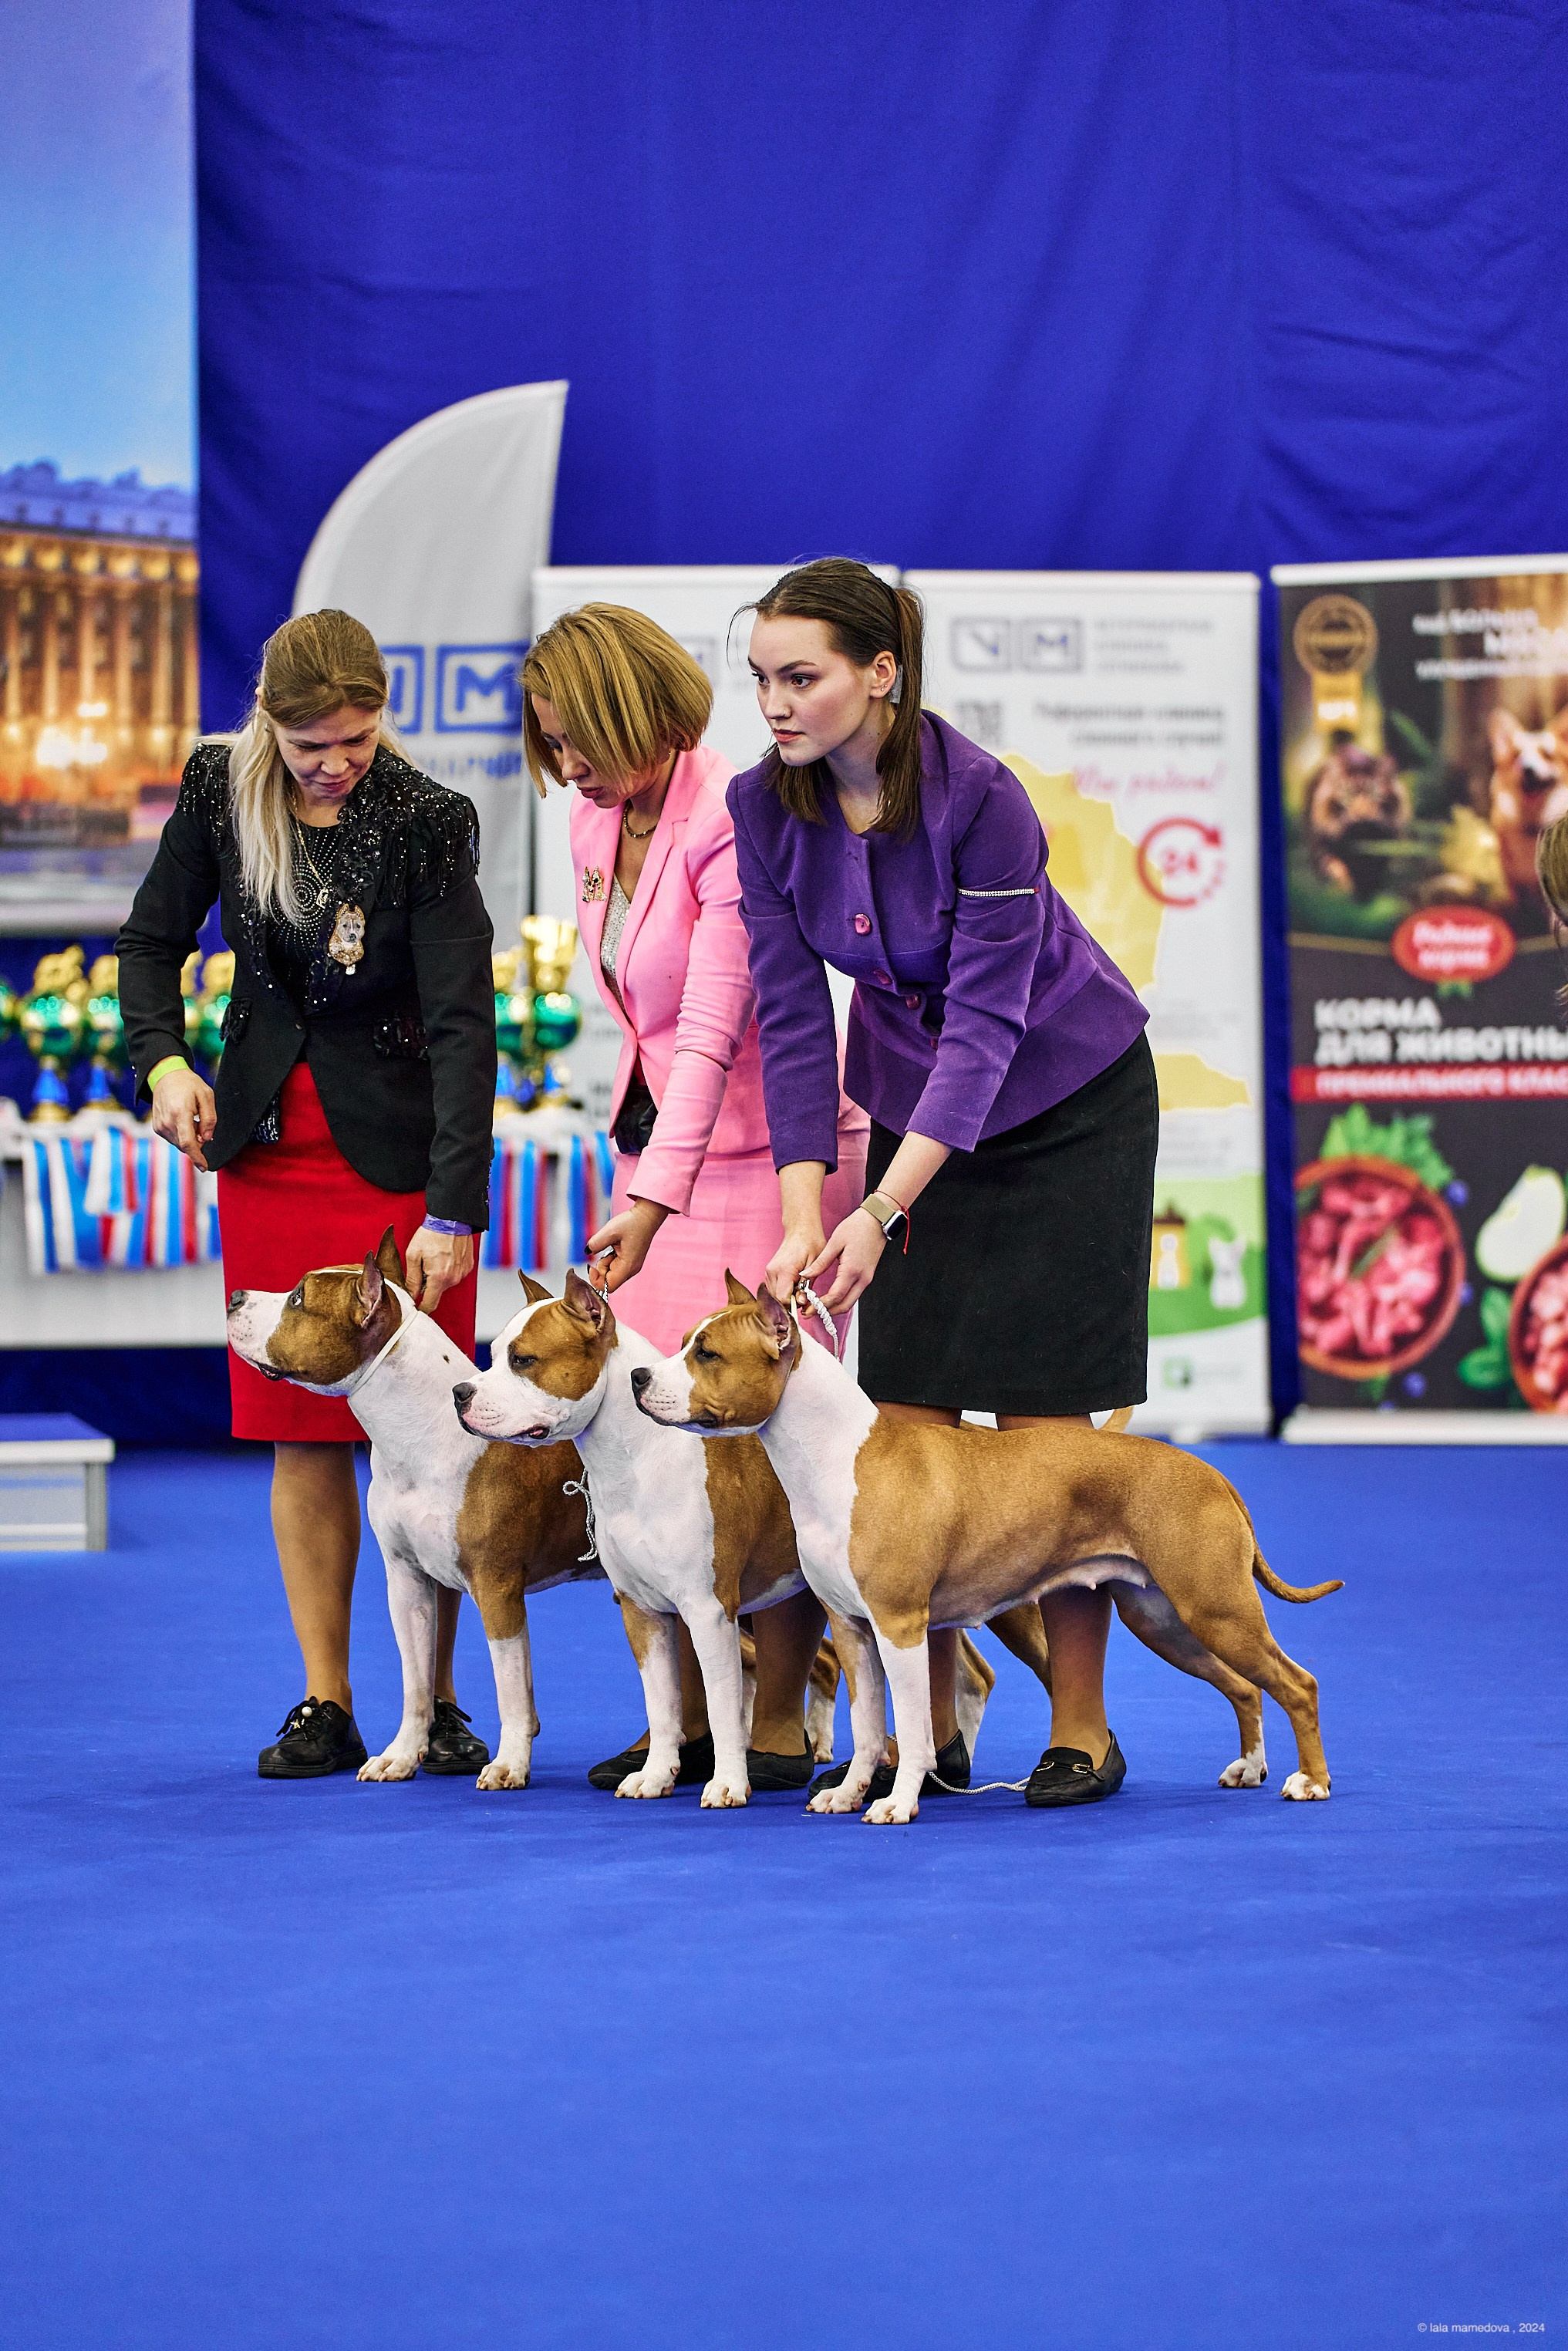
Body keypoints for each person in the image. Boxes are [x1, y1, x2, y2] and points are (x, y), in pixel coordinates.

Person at [730, 558, 1158, 1808]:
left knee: (1046, 1427)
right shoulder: (761, 811)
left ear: (880, 674)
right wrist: (809, 1212)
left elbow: (983, 1030)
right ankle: (928, 1723)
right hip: (912, 1116)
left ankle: (1079, 1726)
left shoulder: (981, 798)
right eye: (759, 677)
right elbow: (794, 1025)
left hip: (1065, 1100)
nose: (775, 703)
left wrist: (878, 1208)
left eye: (800, 676)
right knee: (904, 1417)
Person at [117, 609, 497, 1780]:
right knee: (299, 1432)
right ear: (267, 724)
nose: (336, 762)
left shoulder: (428, 821)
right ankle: (325, 1700)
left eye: (356, 736)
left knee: (435, 1442)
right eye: (310, 744)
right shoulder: (218, 789)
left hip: (401, 1169)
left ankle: (431, 1711)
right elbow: (145, 943)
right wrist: (165, 1062)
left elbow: (461, 1025)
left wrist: (452, 1210)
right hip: (270, 1152)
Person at [521, 603, 868, 1791]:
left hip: (774, 1159)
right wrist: (646, 1179)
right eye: (550, 742)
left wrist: (651, 1198)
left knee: (769, 1445)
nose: (564, 766)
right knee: (665, 1450)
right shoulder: (589, 818)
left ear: (639, 714)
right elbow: (643, 1017)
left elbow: (718, 1026)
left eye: (579, 739)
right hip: (667, 1153)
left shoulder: (728, 814)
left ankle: (777, 1721)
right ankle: (686, 1717)